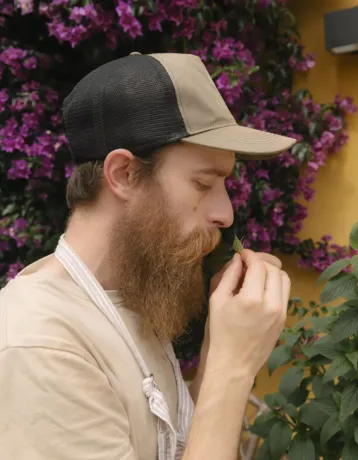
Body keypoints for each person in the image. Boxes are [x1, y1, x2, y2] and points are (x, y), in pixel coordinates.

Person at [0, 52, 295, 460]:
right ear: (123, 174)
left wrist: (215, 352)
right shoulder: (43, 346)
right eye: (202, 183)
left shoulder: (128, 298)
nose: (225, 213)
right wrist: (233, 367)